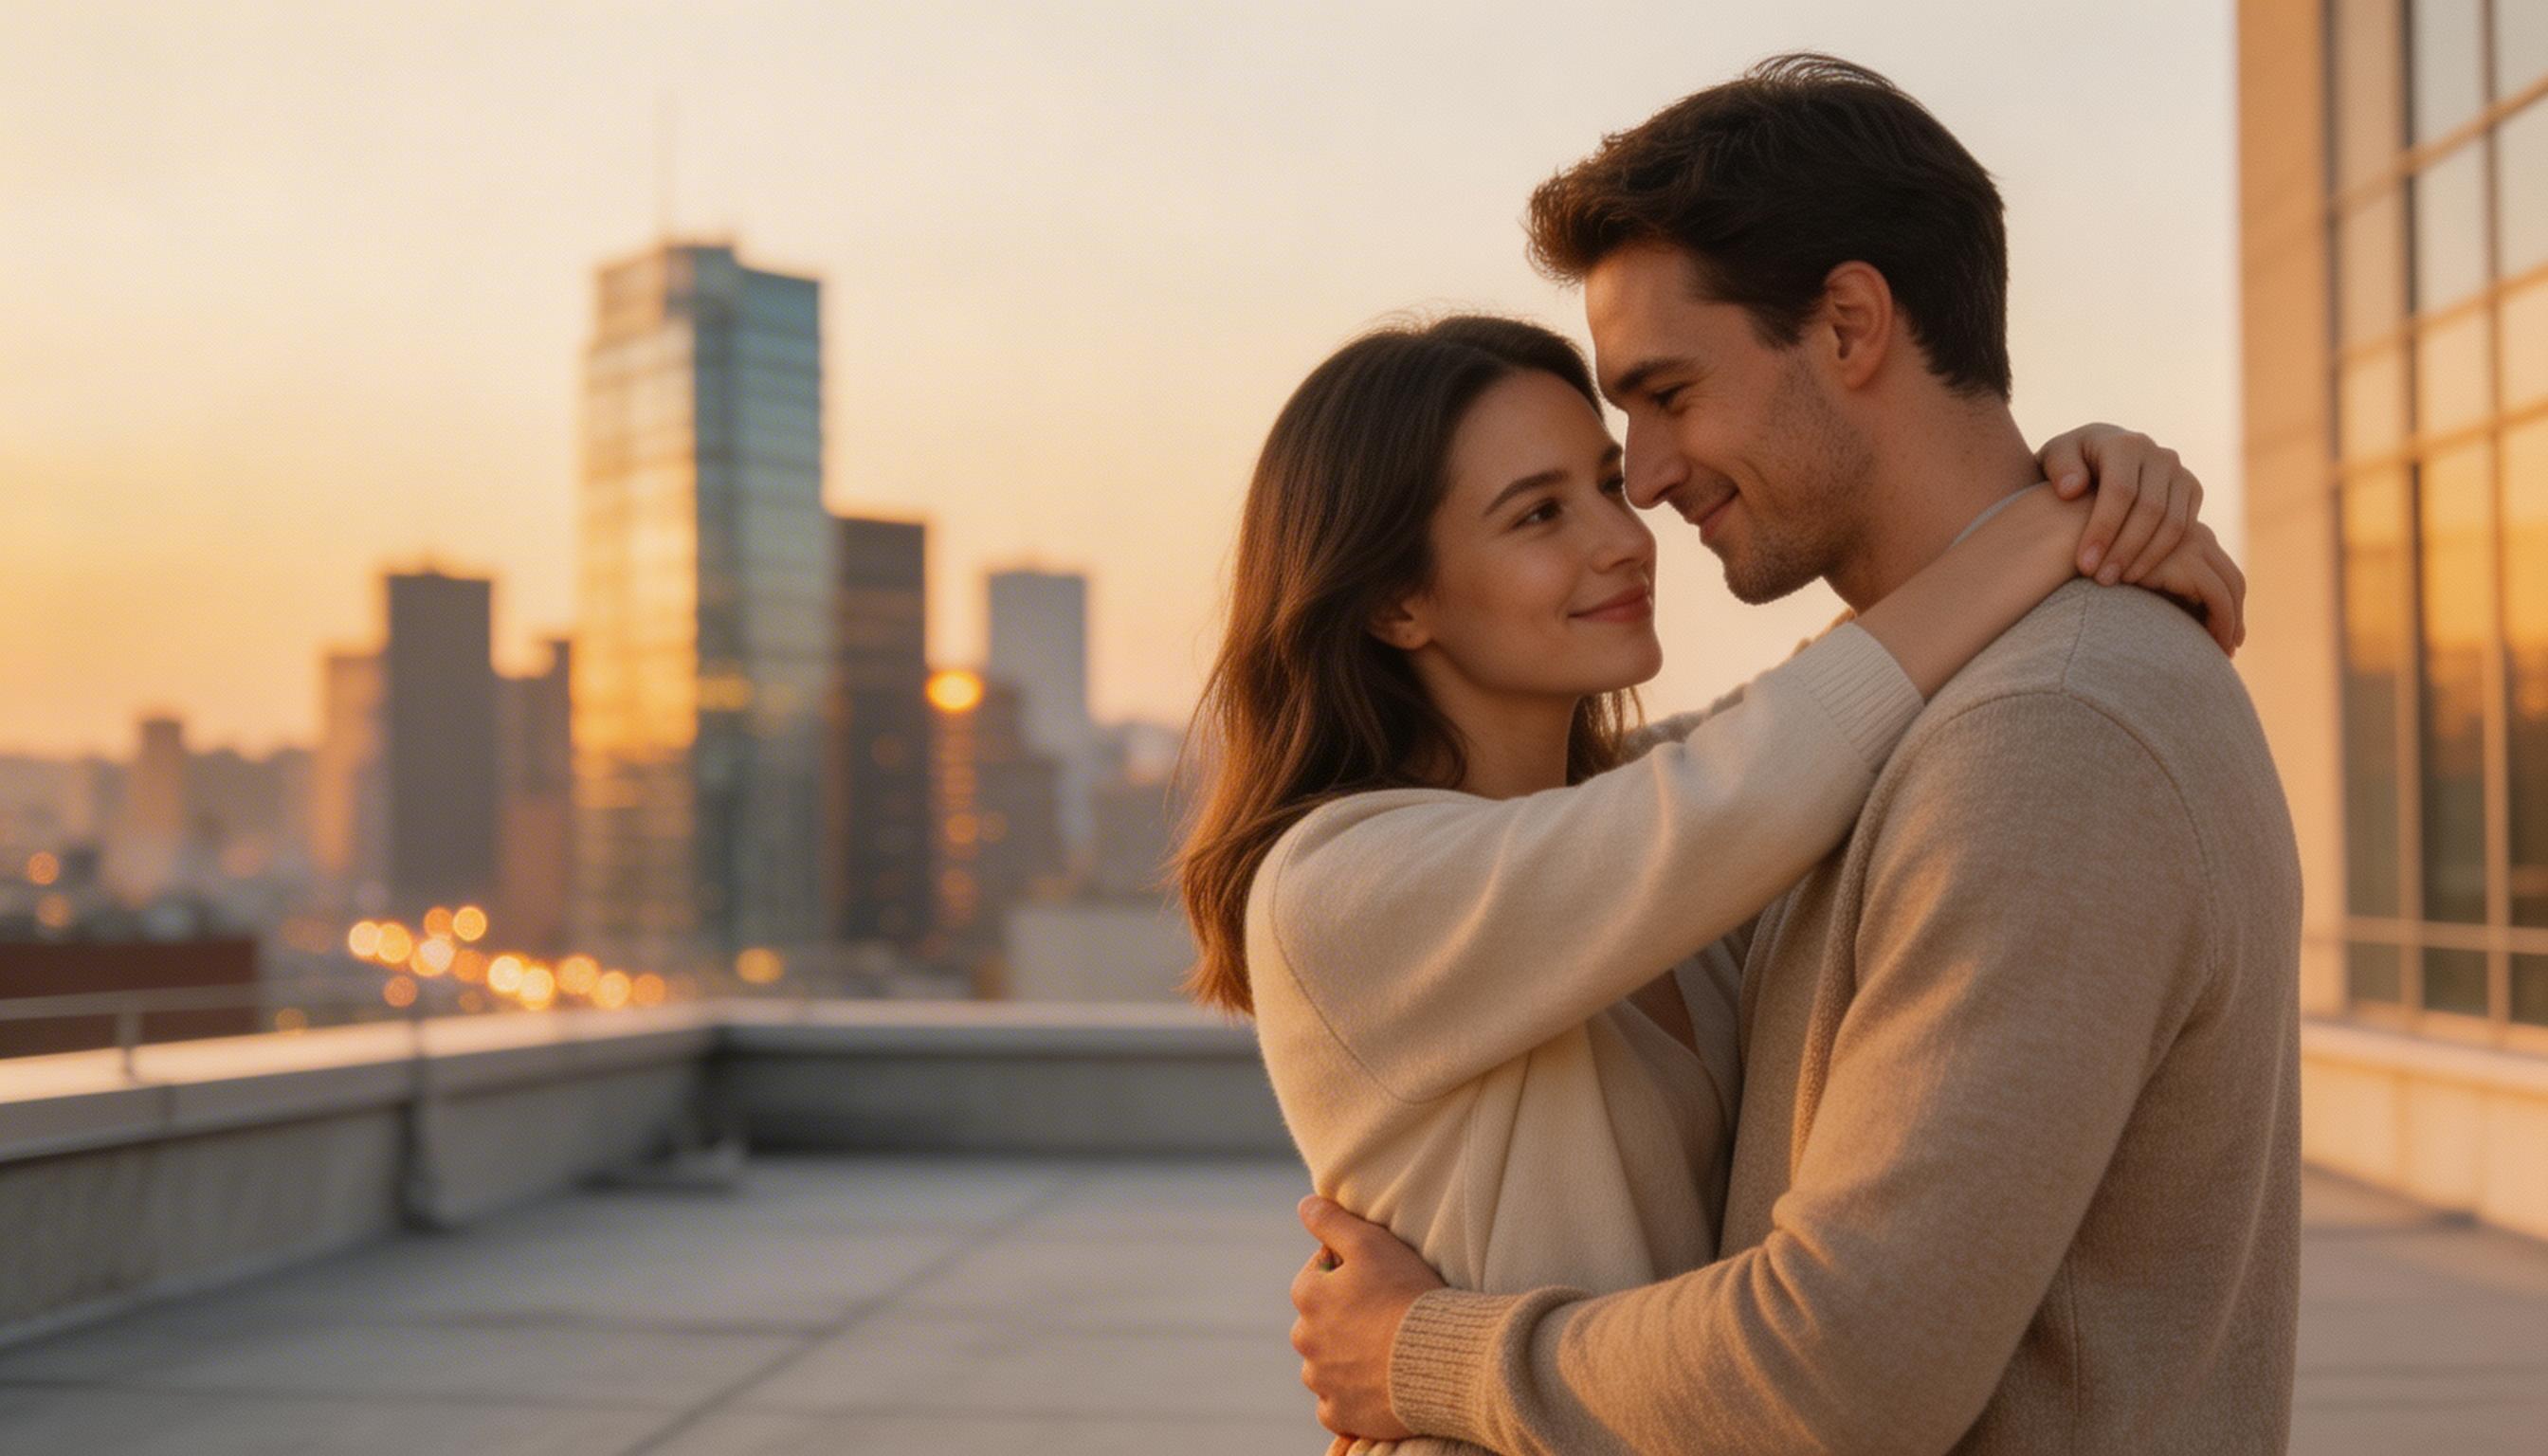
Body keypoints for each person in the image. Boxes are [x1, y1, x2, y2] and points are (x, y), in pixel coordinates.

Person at [1281, 56, 2301, 1455]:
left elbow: (1843, 1370)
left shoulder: (2044, 732)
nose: (1640, 487)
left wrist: (1424, 1353)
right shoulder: (1905, 742)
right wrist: (2047, 515)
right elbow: (1742, 771)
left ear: (1849, 324)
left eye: (1667, 395)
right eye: (1548, 502)